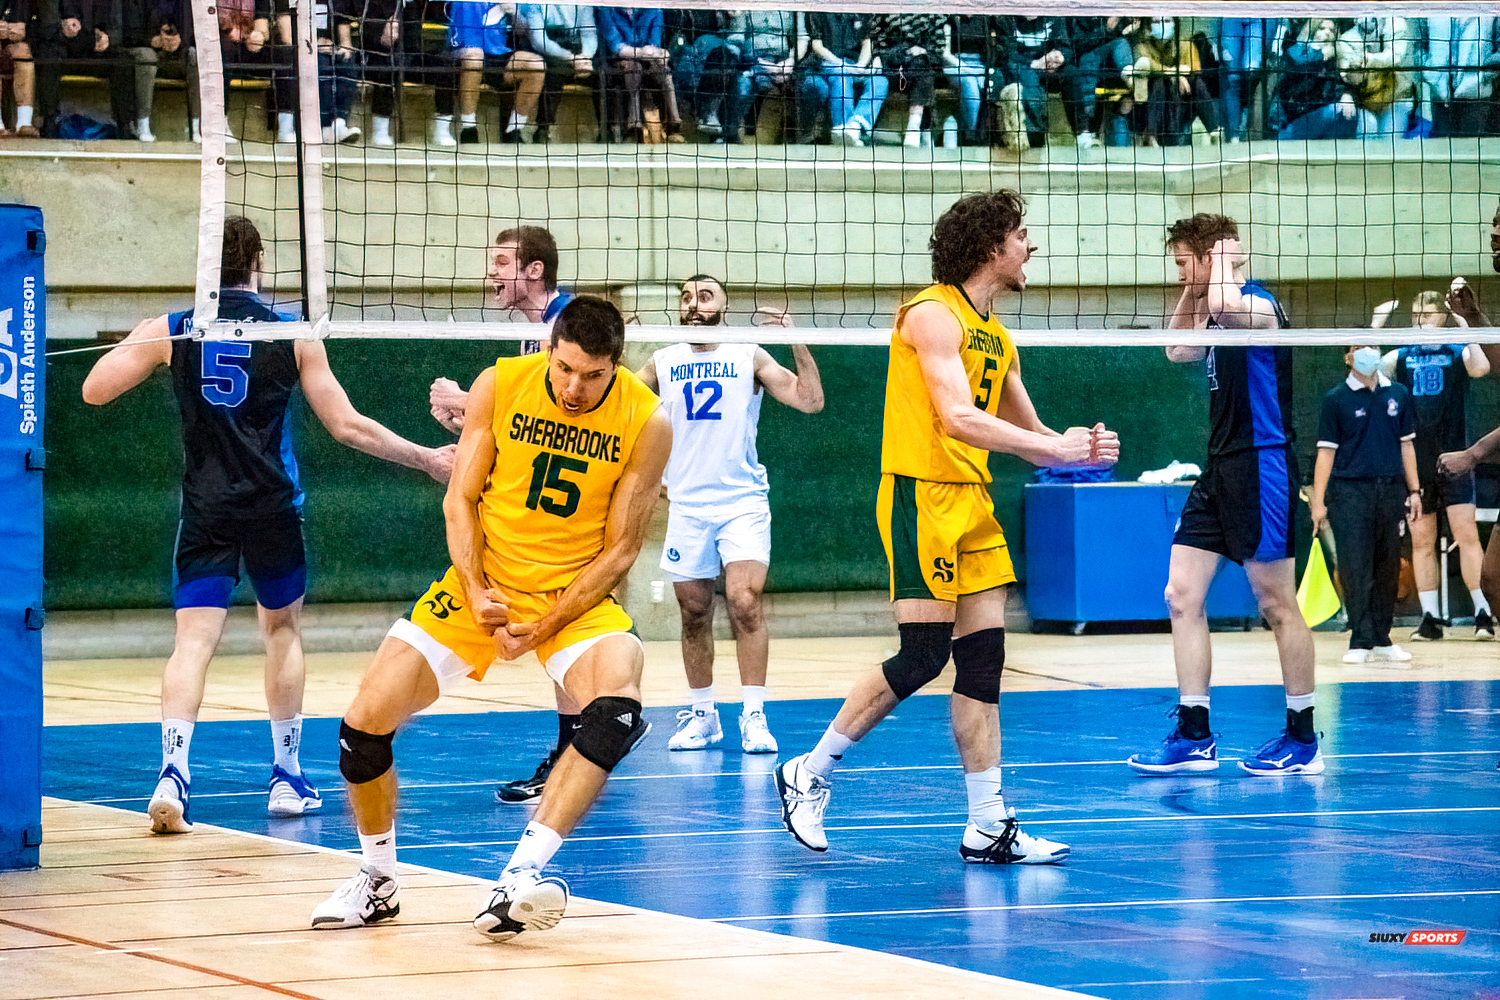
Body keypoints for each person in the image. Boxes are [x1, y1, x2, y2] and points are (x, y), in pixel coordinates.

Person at [309, 296, 671, 940]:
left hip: (573, 598)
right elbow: (461, 499)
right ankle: (378, 881)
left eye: (592, 376)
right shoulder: (501, 383)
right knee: (362, 728)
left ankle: (518, 879)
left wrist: (549, 621)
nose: (574, 388)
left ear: (616, 365)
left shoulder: (647, 421)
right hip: (481, 583)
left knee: (616, 709)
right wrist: (477, 593)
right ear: (550, 350)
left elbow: (622, 548)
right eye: (564, 369)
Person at [79, 216, 456, 834]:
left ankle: (173, 773)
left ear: (205, 267)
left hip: (207, 510)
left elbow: (93, 390)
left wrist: (146, 339)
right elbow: (347, 426)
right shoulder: (293, 332)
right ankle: (286, 776)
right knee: (281, 630)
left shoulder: (175, 327)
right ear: (259, 264)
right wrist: (427, 459)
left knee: (192, 642)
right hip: (273, 507)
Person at [774, 191, 1119, 862]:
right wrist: (1053, 449)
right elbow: (958, 417)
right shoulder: (931, 314)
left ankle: (987, 823)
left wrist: (1078, 449)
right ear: (991, 246)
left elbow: (1029, 430)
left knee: (984, 665)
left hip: (973, 502)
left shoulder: (999, 336)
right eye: (1021, 235)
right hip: (921, 496)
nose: (1031, 246)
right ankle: (808, 772)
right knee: (923, 656)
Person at [1126, 214, 1321, 777]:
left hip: (1263, 465)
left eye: (1183, 262)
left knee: (1275, 603)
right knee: (1180, 595)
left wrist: (1219, 261)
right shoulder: (1212, 307)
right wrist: (1197, 280)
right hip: (1220, 470)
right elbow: (1176, 349)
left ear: (1213, 256)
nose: (1178, 273)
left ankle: (1302, 737)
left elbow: (1227, 306)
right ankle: (1195, 734)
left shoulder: (1258, 306)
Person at [635, 276, 823, 755]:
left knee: (744, 600)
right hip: (687, 505)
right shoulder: (662, 360)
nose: (693, 305)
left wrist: (796, 338)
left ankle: (754, 716)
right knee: (694, 612)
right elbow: (615, 407)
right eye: (686, 298)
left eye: (704, 297)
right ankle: (703, 716)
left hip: (742, 502)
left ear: (724, 306)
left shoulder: (748, 354)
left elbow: (810, 400)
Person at [427, 225, 579, 804]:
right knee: (558, 632)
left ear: (534, 270)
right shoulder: (531, 336)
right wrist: (472, 421)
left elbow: (561, 417)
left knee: (565, 626)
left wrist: (471, 404)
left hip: (572, 508)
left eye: (500, 262)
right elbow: (529, 425)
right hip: (541, 504)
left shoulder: (565, 327)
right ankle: (586, 737)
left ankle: (591, 737)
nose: (491, 274)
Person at [1375, 291, 1493, 641]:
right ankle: (1429, 618)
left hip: (1455, 459)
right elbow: (1370, 374)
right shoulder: (1402, 354)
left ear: (1442, 316)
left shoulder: (1457, 351)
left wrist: (1464, 326)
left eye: (1427, 313)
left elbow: (1481, 367)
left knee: (1466, 536)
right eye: (1416, 313)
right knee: (1421, 541)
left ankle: (1483, 612)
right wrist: (1376, 328)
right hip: (1417, 462)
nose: (1421, 319)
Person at [1309, 347, 1421, 665]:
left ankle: (1382, 638)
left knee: (1388, 564)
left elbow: (1407, 445)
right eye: (1358, 349)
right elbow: (1326, 453)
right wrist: (1318, 502)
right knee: (1355, 564)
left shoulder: (1398, 393)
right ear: (1348, 358)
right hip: (1349, 492)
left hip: (1391, 490)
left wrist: (1414, 490)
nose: (1366, 353)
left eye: (1370, 347)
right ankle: (1360, 639)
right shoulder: (1336, 399)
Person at [35, 0, 136, 139]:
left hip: (93, 49)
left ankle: (124, 125)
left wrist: (107, 39)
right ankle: (49, 121)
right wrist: (69, 30)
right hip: (62, 48)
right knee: (47, 54)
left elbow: (116, 28)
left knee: (122, 59)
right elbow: (48, 28)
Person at [449, 0, 545, 143]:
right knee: (475, 57)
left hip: (498, 54)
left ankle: (514, 130)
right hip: (463, 52)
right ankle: (468, 128)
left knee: (536, 65)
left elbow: (523, 30)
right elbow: (462, 38)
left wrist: (514, 13)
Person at [1277, 17, 1377, 140]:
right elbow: (1298, 84)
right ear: (1311, 31)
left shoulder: (1335, 58)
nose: (1327, 33)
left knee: (1368, 120)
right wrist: (1320, 56)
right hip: (1294, 125)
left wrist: (1346, 95)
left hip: (1326, 118)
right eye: (1322, 28)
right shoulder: (1295, 52)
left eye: (1331, 30)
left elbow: (1340, 84)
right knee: (1338, 110)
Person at [596, 6, 684, 143]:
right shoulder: (606, 10)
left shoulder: (654, 10)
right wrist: (644, 52)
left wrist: (657, 53)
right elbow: (616, 47)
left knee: (664, 70)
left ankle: (674, 127)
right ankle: (633, 127)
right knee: (634, 68)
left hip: (648, 58)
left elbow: (654, 42)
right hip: (618, 61)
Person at [800, 10, 885, 147]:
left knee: (880, 81)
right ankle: (842, 129)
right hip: (828, 63)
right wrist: (840, 64)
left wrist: (861, 66)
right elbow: (817, 46)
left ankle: (855, 127)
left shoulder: (860, 11)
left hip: (854, 65)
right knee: (841, 75)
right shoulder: (817, 11)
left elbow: (867, 43)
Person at [519, 3, 596, 145]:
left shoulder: (584, 5)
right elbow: (539, 41)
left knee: (604, 72)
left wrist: (585, 57)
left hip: (577, 52)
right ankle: (544, 128)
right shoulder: (536, 5)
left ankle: (610, 131)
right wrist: (570, 58)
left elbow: (589, 35)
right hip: (549, 51)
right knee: (554, 72)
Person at [124, 0, 197, 142]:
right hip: (146, 50)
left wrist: (180, 40)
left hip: (177, 53)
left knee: (195, 55)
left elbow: (197, 30)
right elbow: (124, 34)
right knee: (147, 57)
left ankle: (198, 125)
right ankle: (142, 123)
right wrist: (151, 41)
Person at [869, 12, 945, 148]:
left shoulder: (933, 13)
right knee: (923, 73)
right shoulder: (884, 10)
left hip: (923, 66)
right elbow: (877, 42)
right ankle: (925, 129)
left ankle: (914, 127)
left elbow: (938, 48)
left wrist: (923, 51)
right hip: (893, 66)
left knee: (923, 68)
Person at [1, 0, 38, 137]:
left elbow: (47, 23)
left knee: (23, 51)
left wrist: (24, 30)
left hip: (15, 43)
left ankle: (24, 122)